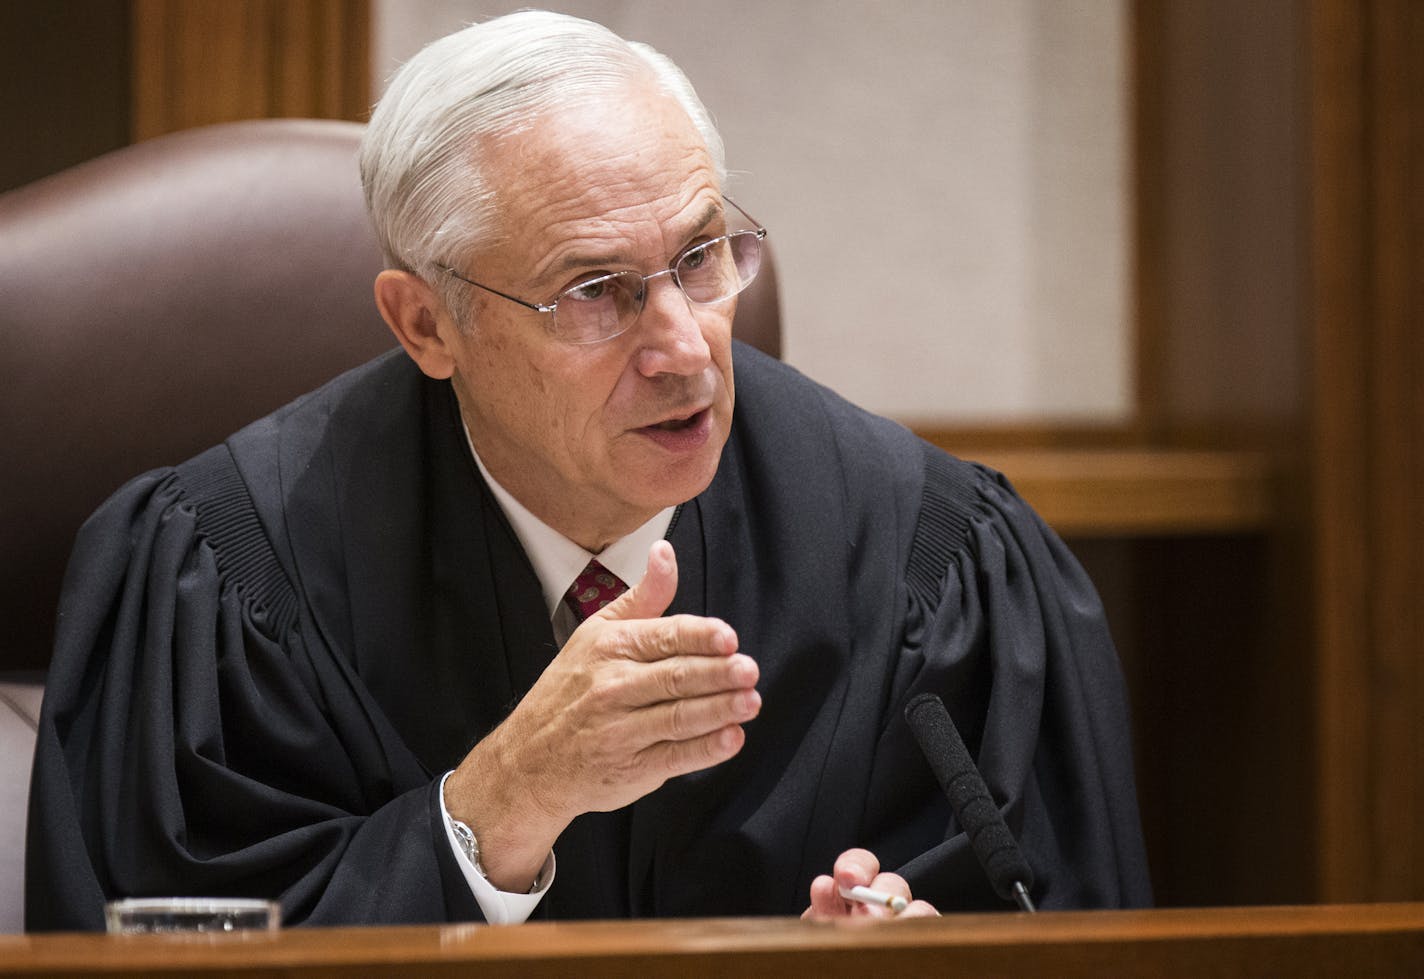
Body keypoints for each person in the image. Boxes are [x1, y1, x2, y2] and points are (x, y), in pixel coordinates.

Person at [26, 11, 1151, 931]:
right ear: (427, 325)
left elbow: (1046, 923)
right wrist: (494, 807)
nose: (683, 348)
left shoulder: (927, 556)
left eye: (701, 257)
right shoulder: (227, 577)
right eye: (595, 291)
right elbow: (177, 950)